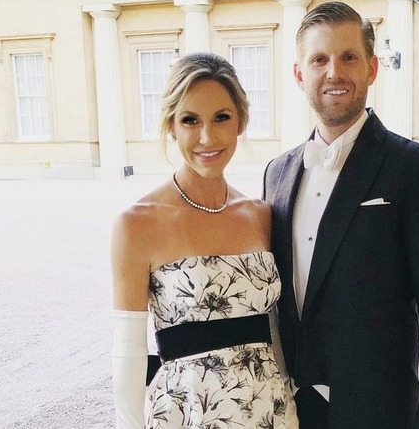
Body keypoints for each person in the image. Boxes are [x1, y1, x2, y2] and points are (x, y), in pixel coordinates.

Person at [263, 1, 419, 429]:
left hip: (379, 413)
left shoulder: (415, 169)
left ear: (372, 69)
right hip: (288, 413)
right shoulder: (276, 174)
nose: (334, 72)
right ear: (300, 74)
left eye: (348, 57)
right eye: (319, 59)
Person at [110, 52, 298, 429]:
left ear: (240, 122)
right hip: (190, 413)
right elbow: (129, 351)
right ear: (171, 127)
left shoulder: (259, 215)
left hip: (270, 409)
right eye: (190, 120)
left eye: (221, 118)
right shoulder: (136, 224)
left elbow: (272, 328)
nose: (207, 137)